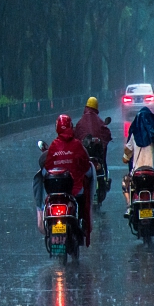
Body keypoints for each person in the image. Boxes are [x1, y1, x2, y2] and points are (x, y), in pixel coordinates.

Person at [44, 114, 95, 247]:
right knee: (83, 201)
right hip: (76, 190)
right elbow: (85, 165)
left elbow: (48, 166)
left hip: (56, 191)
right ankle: (83, 224)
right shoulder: (77, 145)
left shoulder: (54, 145)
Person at [122, 107, 154, 217]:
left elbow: (125, 159)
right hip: (153, 174)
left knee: (125, 182)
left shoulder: (134, 135)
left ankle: (129, 206)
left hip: (136, 175)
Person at [74, 96, 112, 164]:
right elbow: (107, 133)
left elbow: (76, 134)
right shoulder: (99, 121)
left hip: (84, 155)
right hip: (97, 155)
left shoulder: (80, 122)